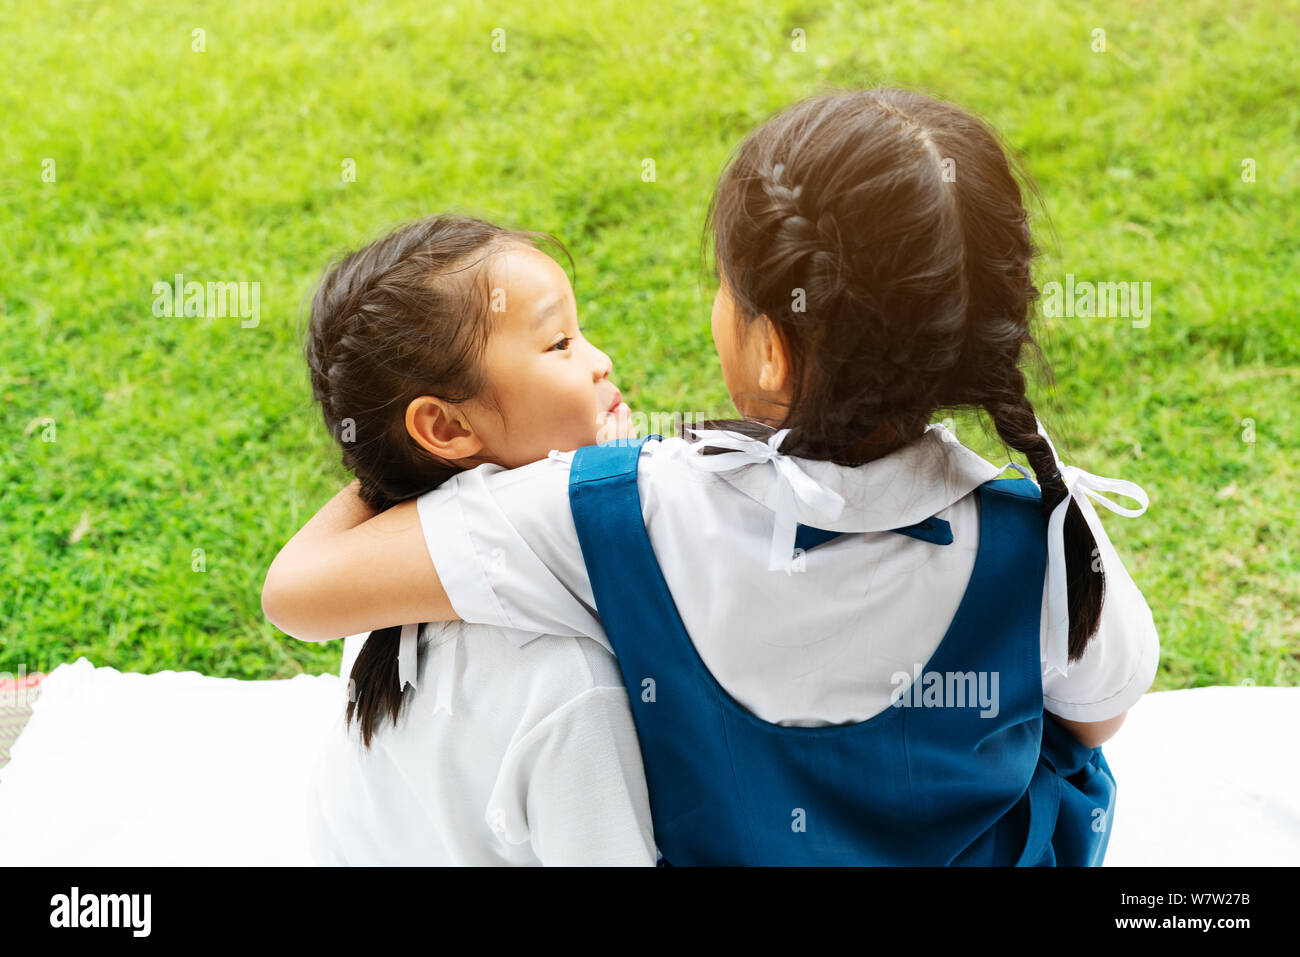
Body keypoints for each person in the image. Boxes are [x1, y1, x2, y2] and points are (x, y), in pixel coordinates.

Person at [264, 88, 1159, 865]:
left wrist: (401, 448)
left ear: (770, 349)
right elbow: (1094, 722)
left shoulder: (604, 510)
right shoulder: (1049, 540)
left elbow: (299, 592)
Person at [292, 213, 655, 865]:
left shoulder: (383, 571)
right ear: (444, 426)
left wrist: (392, 465)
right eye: (560, 344)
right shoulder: (570, 685)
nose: (600, 361)